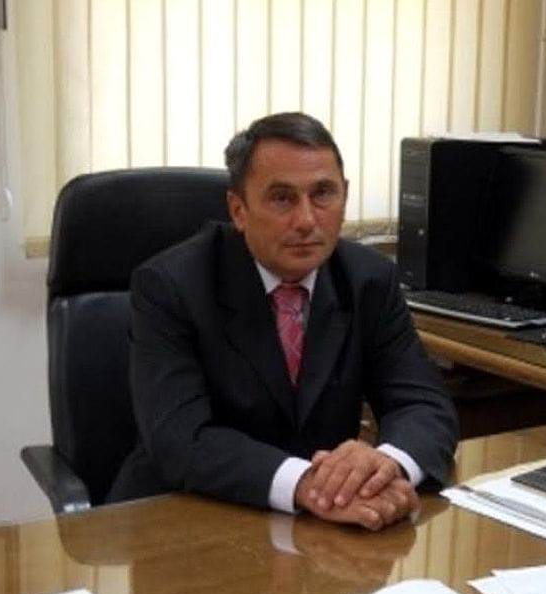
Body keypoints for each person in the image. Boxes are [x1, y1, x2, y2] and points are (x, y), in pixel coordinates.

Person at [109, 112, 458, 530]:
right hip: (185, 517)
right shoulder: (171, 286)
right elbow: (180, 440)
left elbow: (423, 404)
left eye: (323, 194)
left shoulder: (369, 279)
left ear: (345, 197)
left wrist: (385, 466)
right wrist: (305, 484)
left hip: (326, 525)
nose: (307, 220)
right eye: (282, 198)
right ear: (239, 210)